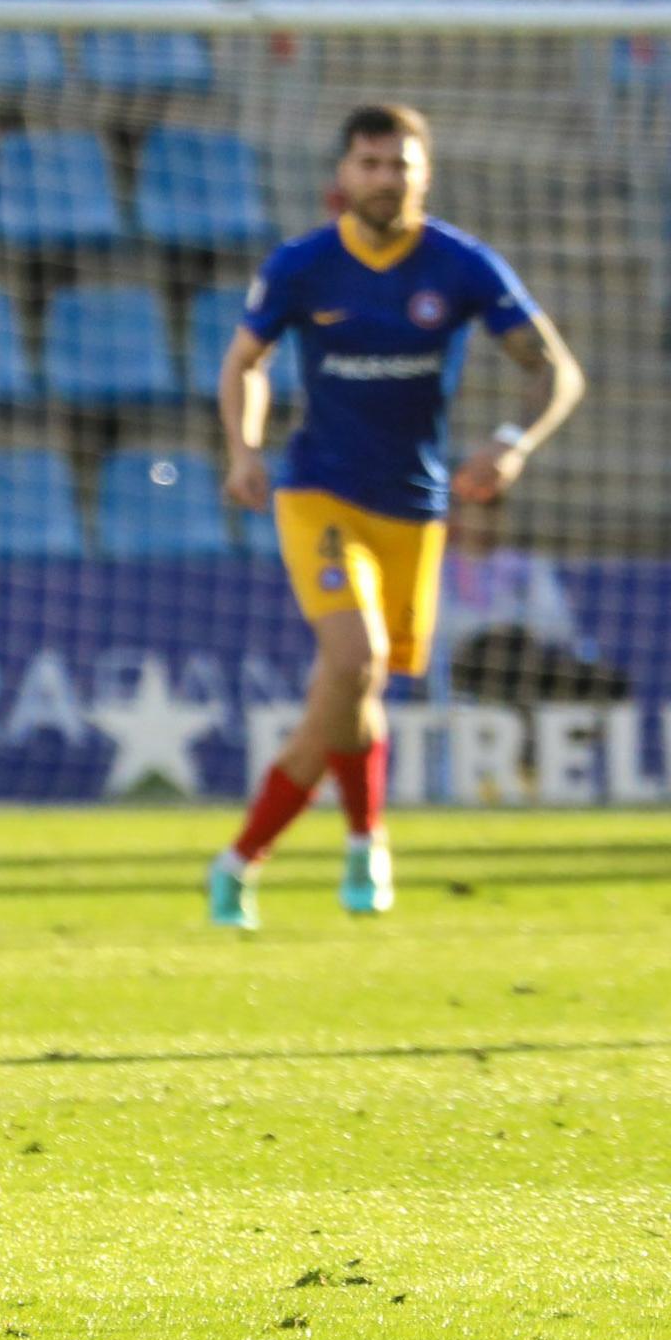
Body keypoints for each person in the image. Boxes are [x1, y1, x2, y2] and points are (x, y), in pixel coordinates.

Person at [208, 103, 584, 930]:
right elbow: (245, 363)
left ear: (425, 173)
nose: (385, 179)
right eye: (370, 164)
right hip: (318, 493)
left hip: (413, 507)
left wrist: (513, 443)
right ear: (342, 175)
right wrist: (243, 449)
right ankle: (266, 857)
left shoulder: (461, 266)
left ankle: (327, 845)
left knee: (355, 686)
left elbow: (555, 371)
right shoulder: (303, 266)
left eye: (399, 165)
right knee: (356, 658)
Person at [439, 497, 628, 712]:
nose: (482, 521)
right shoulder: (439, 568)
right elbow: (437, 626)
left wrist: (512, 626)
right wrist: (488, 627)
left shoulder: (527, 566)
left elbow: (558, 623)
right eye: (473, 513)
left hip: (524, 658)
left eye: (490, 513)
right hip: (466, 664)